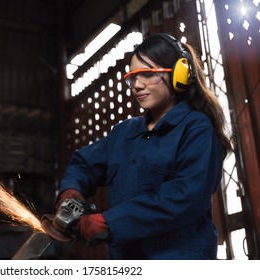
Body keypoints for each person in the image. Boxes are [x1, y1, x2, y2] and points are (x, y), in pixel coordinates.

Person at [55, 33, 232, 259]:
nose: (137, 85)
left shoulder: (197, 129)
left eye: (147, 74)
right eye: (132, 77)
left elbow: (186, 196)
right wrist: (70, 192)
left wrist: (110, 223)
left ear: (179, 75)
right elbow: (84, 163)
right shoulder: (124, 133)